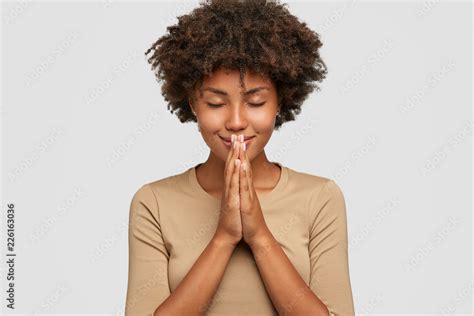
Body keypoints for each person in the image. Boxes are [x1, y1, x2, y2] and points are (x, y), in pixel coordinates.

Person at [125, 0, 355, 315]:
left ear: (280, 101)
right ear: (193, 103)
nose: (235, 121)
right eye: (216, 103)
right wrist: (225, 237)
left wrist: (259, 235)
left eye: (256, 101)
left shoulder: (320, 198)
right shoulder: (154, 203)